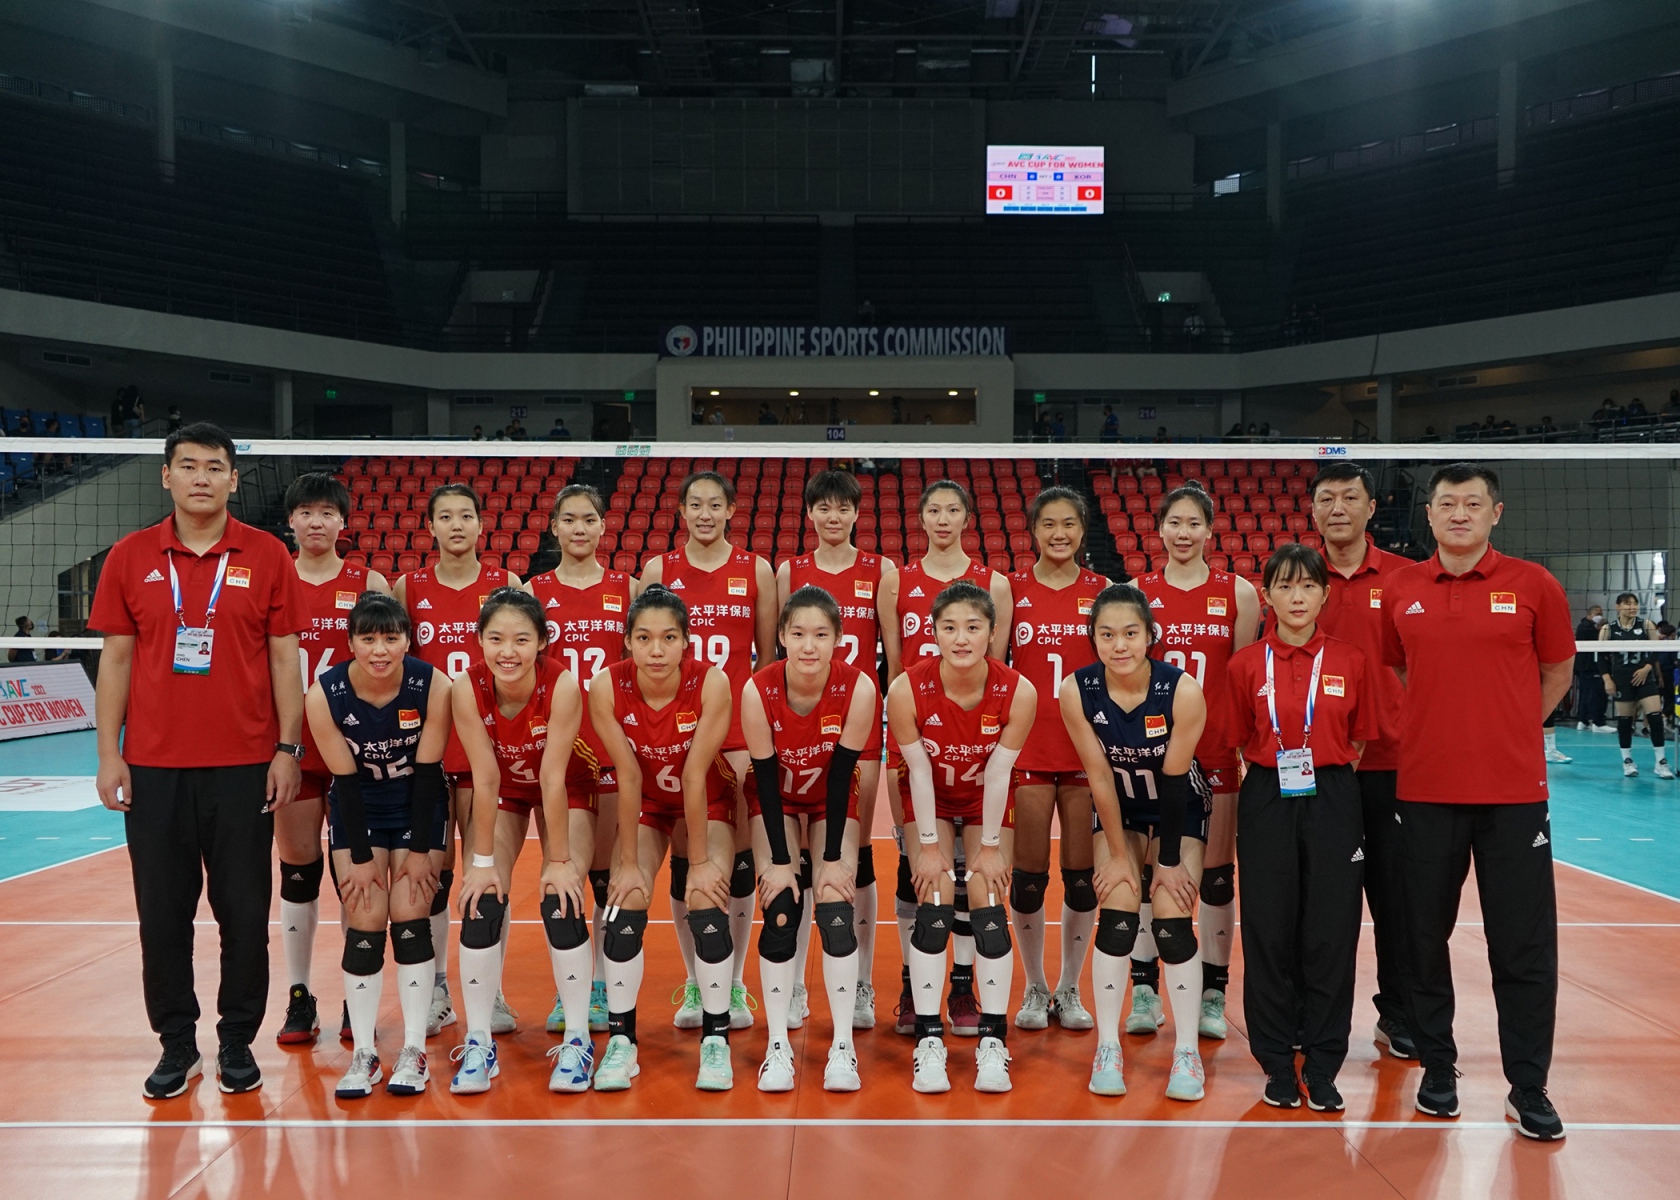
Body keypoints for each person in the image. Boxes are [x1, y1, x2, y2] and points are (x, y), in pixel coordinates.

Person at [90, 422, 310, 1099]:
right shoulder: (129, 556)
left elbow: (285, 659)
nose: (201, 478)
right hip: (153, 768)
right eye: (188, 466)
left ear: (234, 479)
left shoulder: (268, 554)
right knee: (162, 916)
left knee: (244, 915)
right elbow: (116, 659)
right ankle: (178, 1045)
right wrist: (108, 754)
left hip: (244, 766)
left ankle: (237, 1040)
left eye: (215, 467)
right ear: (167, 476)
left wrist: (287, 748)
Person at [1380, 462, 1575, 1141]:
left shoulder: (1535, 584)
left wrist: (1510, 731)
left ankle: (1528, 1085)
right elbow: (1399, 665)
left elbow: (1558, 670)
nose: (1458, 514)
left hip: (1513, 795)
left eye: (1471, 503)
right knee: (1422, 939)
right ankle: (1438, 1069)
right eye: (1446, 503)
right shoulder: (1401, 589)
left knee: (1523, 946)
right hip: (1425, 792)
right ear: (1429, 514)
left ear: (1496, 512)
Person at [1225, 544, 1378, 1112]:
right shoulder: (1245, 665)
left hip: (1333, 793)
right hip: (1267, 794)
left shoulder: (1351, 660)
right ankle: (1275, 1060)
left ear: (1324, 594)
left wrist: (1325, 771)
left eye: (1308, 586)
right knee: (1268, 928)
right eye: (1285, 586)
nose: (1297, 597)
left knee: (1331, 930)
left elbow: (1359, 739)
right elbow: (1236, 737)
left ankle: (1322, 1059)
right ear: (1266, 595)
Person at [1059, 584, 1211, 1102]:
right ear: (1093, 638)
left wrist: (1166, 861)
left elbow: (1175, 779)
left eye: (1130, 633)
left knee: (1171, 912)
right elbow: (1099, 776)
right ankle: (1108, 1046)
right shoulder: (1076, 689)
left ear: (1150, 635)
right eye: (1106, 635)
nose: (1119, 645)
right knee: (1119, 905)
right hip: (1119, 807)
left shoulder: (1181, 690)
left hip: (1178, 805)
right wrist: (1121, 857)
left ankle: (1187, 1051)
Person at [887, 581, 1036, 1094]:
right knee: (933, 901)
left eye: (973, 627)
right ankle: (929, 1040)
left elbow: (998, 774)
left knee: (989, 903)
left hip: (982, 802)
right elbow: (917, 771)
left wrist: (989, 848)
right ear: (933, 633)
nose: (961, 638)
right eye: (949, 628)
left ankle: (993, 1041)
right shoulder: (906, 688)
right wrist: (929, 846)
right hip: (929, 797)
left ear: (993, 632)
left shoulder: (1018, 690)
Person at [641, 472, 777, 1031]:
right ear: (681, 511)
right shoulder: (658, 571)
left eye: (714, 505)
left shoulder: (756, 570)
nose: (704, 513)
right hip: (674, 728)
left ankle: (734, 979)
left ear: (731, 510)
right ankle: (696, 979)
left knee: (737, 860)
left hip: (737, 728)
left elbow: (767, 658)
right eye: (694, 504)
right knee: (685, 856)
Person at [303, 593, 452, 1097]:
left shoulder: (434, 686)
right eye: (368, 639)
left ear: (408, 640)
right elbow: (344, 783)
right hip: (358, 806)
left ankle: (413, 1050)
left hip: (417, 804)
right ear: (351, 643)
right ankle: (364, 1053)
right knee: (365, 914)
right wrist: (361, 859)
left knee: (411, 912)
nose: (380, 650)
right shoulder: (324, 694)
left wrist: (420, 852)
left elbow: (429, 775)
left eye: (391, 638)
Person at [878, 480, 1012, 1037]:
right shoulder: (896, 579)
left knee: (969, 874)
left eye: (953, 509)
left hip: (974, 738)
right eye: (933, 509)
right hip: (914, 730)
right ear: (921, 517)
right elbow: (894, 664)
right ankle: (914, 987)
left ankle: (961, 987)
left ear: (967, 517)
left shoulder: (993, 583)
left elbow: (991, 669)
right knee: (917, 869)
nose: (942, 518)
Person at [593, 585, 739, 1091]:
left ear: (686, 642)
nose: (656, 650)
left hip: (710, 799)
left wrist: (698, 863)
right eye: (644, 638)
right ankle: (621, 1041)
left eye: (669, 638)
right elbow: (629, 775)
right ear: (627, 641)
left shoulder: (712, 683)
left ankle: (716, 1039)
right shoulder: (606, 686)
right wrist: (628, 863)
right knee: (625, 901)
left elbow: (696, 775)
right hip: (649, 803)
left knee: (705, 899)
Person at [1132, 484, 1260, 1041]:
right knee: (1147, 874)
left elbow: (1244, 678)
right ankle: (1144, 988)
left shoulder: (1239, 593)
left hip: (1215, 751)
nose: (1183, 533)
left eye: (1193, 523)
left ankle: (1213, 992)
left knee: (1215, 877)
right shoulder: (1137, 592)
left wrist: (1243, 746)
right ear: (1159, 528)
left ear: (1210, 529)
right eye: (1174, 523)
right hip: (1151, 752)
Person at [741, 587, 879, 1092]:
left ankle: (842, 1045)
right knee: (781, 904)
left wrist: (833, 860)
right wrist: (781, 862)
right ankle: (778, 1044)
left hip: (828, 799)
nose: (808, 646)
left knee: (835, 902)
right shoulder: (757, 689)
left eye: (821, 635)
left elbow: (841, 776)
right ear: (781, 636)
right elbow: (763, 775)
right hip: (774, 798)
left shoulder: (859, 688)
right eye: (797, 633)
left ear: (838, 638)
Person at [396, 484, 520, 1040]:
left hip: (485, 747)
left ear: (480, 524)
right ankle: (439, 990)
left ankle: (492, 991)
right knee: (434, 872)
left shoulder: (506, 583)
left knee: (485, 871)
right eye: (444, 516)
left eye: (465, 516)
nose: (455, 525)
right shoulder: (409, 587)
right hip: (426, 747)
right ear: (430, 527)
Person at [452, 589, 586, 1093]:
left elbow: (553, 778)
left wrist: (559, 861)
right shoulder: (466, 688)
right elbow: (485, 778)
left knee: (560, 896)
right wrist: (482, 862)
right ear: (479, 640)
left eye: (521, 640)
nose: (508, 652)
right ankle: (479, 1040)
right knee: (481, 897)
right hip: (505, 788)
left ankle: (577, 1040)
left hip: (568, 785)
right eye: (496, 639)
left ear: (543, 642)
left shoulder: (562, 685)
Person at [275, 473, 392, 1048]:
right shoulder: (273, 576)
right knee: (298, 871)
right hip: (293, 750)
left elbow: (389, 657)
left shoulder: (369, 581)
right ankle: (299, 994)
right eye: (306, 512)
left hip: (355, 750)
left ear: (343, 522)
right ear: (290, 521)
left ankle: (355, 990)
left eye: (326, 512)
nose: (316, 521)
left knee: (356, 877)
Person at [778, 469, 895, 1031]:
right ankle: (795, 984)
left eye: (842, 507)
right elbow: (775, 652)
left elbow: (893, 656)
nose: (833, 516)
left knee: (856, 856)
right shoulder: (790, 571)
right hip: (799, 728)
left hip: (858, 726)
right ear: (809, 514)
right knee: (801, 858)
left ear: (856, 513)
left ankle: (863, 981)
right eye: (823, 507)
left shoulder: (881, 571)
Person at [1309, 462, 1416, 1060]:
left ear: (1372, 508)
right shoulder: (1296, 578)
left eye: (1350, 497)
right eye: (1327, 498)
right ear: (1312, 511)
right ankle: (1314, 1017)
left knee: (1399, 902)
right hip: (1320, 768)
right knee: (1321, 905)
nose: (1338, 507)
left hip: (1394, 764)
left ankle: (1397, 1013)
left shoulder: (1406, 577)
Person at [525, 483, 634, 1037]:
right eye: (568, 520)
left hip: (612, 749)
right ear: (554, 528)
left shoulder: (626, 588)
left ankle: (600, 987)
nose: (579, 529)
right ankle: (568, 987)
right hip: (558, 755)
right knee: (562, 871)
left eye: (589, 519)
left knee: (605, 878)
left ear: (603, 526)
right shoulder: (532, 592)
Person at [1006, 487, 1107, 1033]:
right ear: (1033, 530)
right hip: (1027, 748)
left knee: (1081, 878)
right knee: (1026, 879)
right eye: (1048, 523)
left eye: (1069, 523)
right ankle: (1034, 985)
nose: (1059, 533)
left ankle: (1069, 986)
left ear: (1083, 529)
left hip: (1086, 750)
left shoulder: (1103, 591)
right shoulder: (1011, 589)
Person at [1599, 592, 1673, 779]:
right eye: (1627, 604)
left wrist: (1647, 668)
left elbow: (1656, 650)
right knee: (1625, 720)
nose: (1632, 607)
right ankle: (1627, 761)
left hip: (1645, 677)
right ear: (1618, 606)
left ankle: (1661, 762)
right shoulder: (1608, 629)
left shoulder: (1646, 625)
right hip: (1622, 679)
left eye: (1635, 603)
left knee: (1655, 716)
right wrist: (1607, 679)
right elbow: (1599, 657)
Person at [1574, 605, 1609, 732]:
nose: (1600, 616)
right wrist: (1602, 629)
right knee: (1596, 694)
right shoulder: (1586, 628)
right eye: (1598, 614)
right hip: (1590, 666)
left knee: (1585, 694)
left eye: (1601, 614)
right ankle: (1598, 722)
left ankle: (1583, 721)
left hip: (1584, 667)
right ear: (1590, 615)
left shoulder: (1584, 627)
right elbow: (1600, 639)